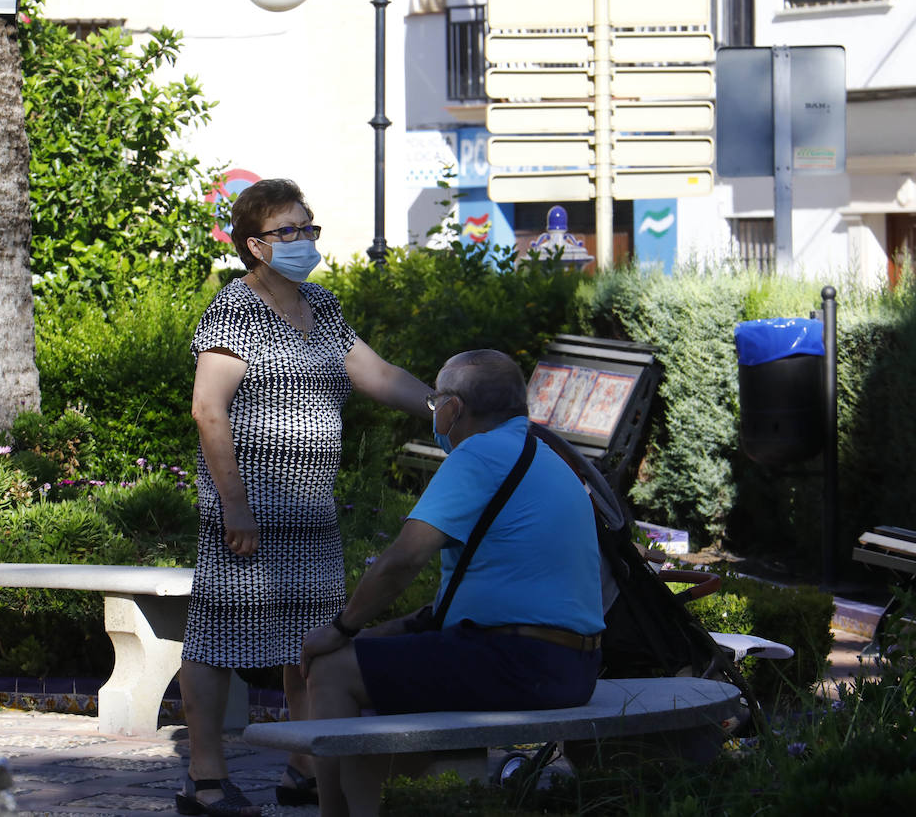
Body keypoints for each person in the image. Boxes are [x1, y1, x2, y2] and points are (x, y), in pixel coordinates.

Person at [177, 178, 432, 817]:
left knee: (312, 643)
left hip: (312, 513)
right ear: (254, 245)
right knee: (217, 641)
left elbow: (377, 375)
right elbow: (209, 410)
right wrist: (234, 505)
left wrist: (446, 405)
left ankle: (305, 764)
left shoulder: (322, 306)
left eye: (306, 228)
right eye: (285, 231)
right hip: (249, 517)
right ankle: (206, 779)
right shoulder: (234, 310)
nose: (301, 241)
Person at [299, 349, 606, 817]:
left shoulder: (479, 454)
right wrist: (368, 635)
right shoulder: (544, 451)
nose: (434, 414)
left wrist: (339, 628)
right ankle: (387, 791)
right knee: (360, 655)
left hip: (521, 661)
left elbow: (402, 560)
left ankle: (334, 813)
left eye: (434, 402)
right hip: (570, 663)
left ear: (452, 409)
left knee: (331, 670)